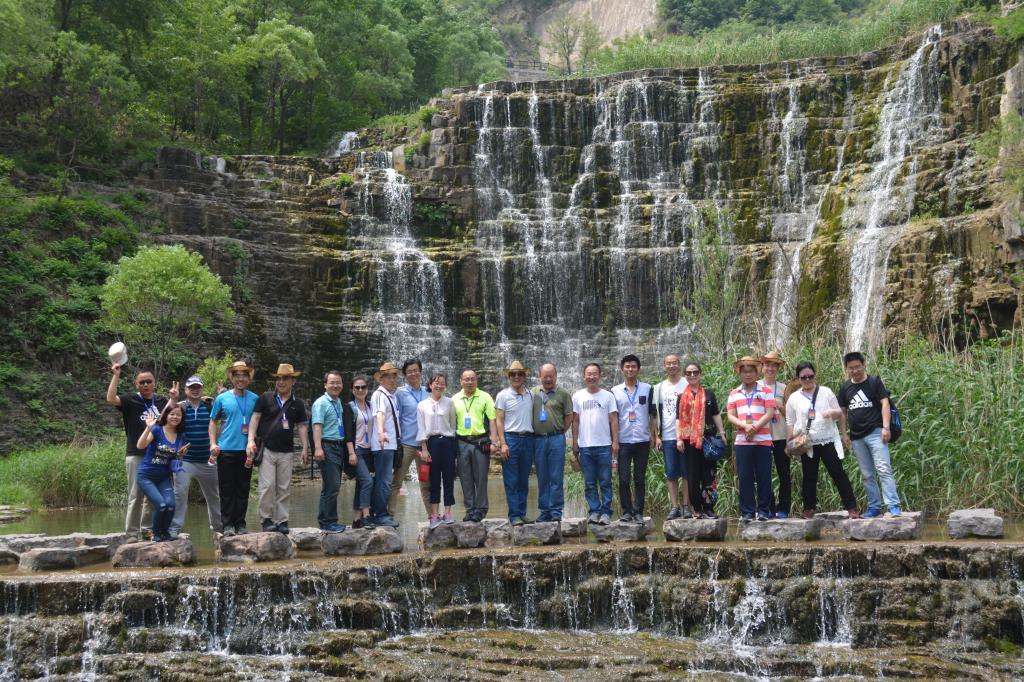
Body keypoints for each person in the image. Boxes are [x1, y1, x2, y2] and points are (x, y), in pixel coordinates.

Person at [106, 363, 176, 539]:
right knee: (135, 495)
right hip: (136, 454)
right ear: (136, 384)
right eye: (142, 382)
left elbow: (170, 416)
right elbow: (111, 398)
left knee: (153, 496)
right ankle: (131, 533)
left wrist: (174, 398)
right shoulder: (131, 400)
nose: (145, 385)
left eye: (149, 381)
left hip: (157, 456)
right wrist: (116, 375)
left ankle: (147, 530)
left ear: (154, 383)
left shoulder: (160, 401)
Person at [785, 361, 859, 519]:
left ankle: (852, 507)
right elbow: (790, 422)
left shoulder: (826, 392)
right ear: (798, 379)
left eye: (810, 376)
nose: (807, 379)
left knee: (838, 473)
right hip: (807, 443)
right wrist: (789, 443)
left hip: (827, 440)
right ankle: (809, 508)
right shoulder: (794, 398)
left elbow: (840, 413)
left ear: (814, 375)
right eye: (803, 377)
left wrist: (832, 413)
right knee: (809, 476)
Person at [248, 364, 309, 535]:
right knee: (267, 486)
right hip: (266, 449)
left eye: (285, 378)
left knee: (284, 488)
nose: (281, 382)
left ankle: (282, 521)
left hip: (287, 451)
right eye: (278, 378)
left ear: (293, 381)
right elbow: (255, 419)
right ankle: (266, 520)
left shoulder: (298, 403)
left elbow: (302, 426)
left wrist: (305, 447)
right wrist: (250, 440)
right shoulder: (265, 398)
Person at [839, 352, 902, 517]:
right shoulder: (845, 387)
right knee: (867, 474)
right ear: (846, 369)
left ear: (863, 364)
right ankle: (874, 507)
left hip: (876, 432)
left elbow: (885, 404)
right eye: (851, 368)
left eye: (858, 367)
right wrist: (844, 434)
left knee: (883, 469)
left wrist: (886, 428)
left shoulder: (874, 382)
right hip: (856, 437)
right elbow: (842, 412)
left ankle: (893, 505)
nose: (855, 371)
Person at [209, 360, 258, 536]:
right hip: (226, 449)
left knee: (243, 489)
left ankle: (240, 523)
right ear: (231, 378)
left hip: (247, 451)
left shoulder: (255, 399)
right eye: (237, 376)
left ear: (249, 378)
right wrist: (213, 443)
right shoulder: (222, 398)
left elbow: (258, 421)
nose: (240, 379)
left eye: (244, 375)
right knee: (227, 489)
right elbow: (213, 421)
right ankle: (228, 524)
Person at [169, 375, 222, 539]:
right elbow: (167, 420)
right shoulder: (180, 407)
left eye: (198, 387)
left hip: (208, 460)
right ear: (186, 390)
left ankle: (219, 528)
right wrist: (173, 400)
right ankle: (174, 529)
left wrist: (223, 395)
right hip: (185, 460)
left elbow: (225, 418)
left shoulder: (210, 406)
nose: (195, 390)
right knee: (180, 493)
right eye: (191, 387)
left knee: (214, 495)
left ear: (202, 389)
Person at [726, 356, 776, 522]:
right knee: (745, 476)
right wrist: (745, 426)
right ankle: (747, 512)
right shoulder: (734, 393)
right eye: (744, 371)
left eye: (751, 371)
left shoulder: (766, 391)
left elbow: (770, 413)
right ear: (740, 373)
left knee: (764, 476)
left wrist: (754, 428)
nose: (748, 374)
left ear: (757, 372)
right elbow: (730, 416)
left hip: (763, 440)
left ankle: (763, 511)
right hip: (742, 441)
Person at [675, 361, 726, 519]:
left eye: (695, 372)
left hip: (708, 441)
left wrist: (722, 433)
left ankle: (709, 508)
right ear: (685, 375)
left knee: (709, 475)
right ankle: (696, 509)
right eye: (689, 373)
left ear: (700, 374)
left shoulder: (709, 394)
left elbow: (716, 414)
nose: (692, 375)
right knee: (693, 475)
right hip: (689, 441)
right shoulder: (681, 397)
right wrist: (678, 439)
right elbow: (678, 419)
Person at [572, 362, 619, 526]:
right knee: (589, 483)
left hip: (604, 445)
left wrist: (615, 441)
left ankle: (606, 512)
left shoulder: (608, 396)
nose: (591, 377)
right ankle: (594, 511)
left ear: (599, 376)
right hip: (585, 446)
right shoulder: (577, 396)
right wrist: (574, 442)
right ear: (584, 376)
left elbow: (613, 420)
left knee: (605, 481)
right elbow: (575, 421)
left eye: (594, 374)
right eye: (589, 374)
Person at [611, 354, 657, 523]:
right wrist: (614, 440)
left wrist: (654, 435)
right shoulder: (614, 391)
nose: (630, 369)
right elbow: (613, 417)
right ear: (622, 369)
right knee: (623, 478)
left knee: (639, 478)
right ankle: (626, 511)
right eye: (627, 366)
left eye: (633, 366)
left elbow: (653, 414)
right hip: (623, 440)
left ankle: (638, 511)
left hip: (642, 440)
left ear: (638, 369)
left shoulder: (647, 388)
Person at [135, 404, 189, 542]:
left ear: (182, 418)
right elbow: (140, 445)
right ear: (166, 415)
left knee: (171, 505)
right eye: (172, 414)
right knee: (161, 505)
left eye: (178, 415)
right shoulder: (157, 429)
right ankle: (156, 534)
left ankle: (165, 533)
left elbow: (173, 457)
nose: (175, 417)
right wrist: (148, 428)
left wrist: (180, 454)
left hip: (164, 476)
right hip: (146, 475)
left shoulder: (181, 436)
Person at [312, 370, 357, 534]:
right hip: (327, 446)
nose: (335, 385)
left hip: (339, 446)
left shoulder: (338, 403)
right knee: (332, 486)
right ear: (325, 385)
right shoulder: (321, 403)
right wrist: (318, 448)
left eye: (338, 382)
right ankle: (327, 522)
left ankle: (330, 521)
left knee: (332, 486)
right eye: (332, 382)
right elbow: (317, 426)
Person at [452, 368, 498, 522]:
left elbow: (492, 420)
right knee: (465, 478)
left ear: (476, 381)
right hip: (462, 442)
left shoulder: (485, 397)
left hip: (481, 442)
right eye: (466, 379)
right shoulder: (454, 399)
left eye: (472, 379)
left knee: (481, 478)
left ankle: (481, 509)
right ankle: (470, 509)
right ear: (461, 381)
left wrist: (494, 442)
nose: (470, 382)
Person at [495, 361, 536, 526]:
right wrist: (503, 443)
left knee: (523, 480)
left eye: (520, 374)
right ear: (509, 376)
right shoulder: (502, 395)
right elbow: (499, 420)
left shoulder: (531, 395)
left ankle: (522, 513)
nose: (516, 377)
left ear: (524, 376)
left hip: (528, 439)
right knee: (511, 480)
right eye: (513, 374)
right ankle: (514, 515)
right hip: (511, 439)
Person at [530, 363, 573, 522]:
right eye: (545, 376)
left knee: (556, 477)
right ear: (539, 376)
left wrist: (559, 431)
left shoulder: (563, 393)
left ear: (556, 376)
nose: (548, 379)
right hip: (538, 440)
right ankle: (544, 511)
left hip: (556, 439)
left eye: (551, 376)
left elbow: (569, 416)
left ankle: (555, 511)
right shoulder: (532, 393)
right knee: (542, 477)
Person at [417, 373, 458, 529]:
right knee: (434, 480)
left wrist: (451, 443)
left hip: (447, 442)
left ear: (445, 386)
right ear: (430, 385)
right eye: (436, 382)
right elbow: (421, 428)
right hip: (431, 443)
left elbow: (453, 425)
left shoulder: (449, 402)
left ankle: (448, 513)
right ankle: (434, 515)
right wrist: (424, 449)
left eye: (442, 383)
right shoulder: (422, 405)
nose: (439, 385)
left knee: (448, 479)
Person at [391, 359, 431, 517]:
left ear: (420, 371)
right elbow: (396, 418)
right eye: (409, 371)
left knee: (426, 483)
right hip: (406, 444)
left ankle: (432, 516)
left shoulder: (428, 392)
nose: (413, 374)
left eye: (415, 370)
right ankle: (389, 516)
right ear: (405, 375)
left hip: (425, 446)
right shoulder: (399, 393)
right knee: (396, 481)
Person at [654, 354, 692, 519]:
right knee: (671, 473)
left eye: (674, 363)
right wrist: (656, 436)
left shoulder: (687, 383)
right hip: (667, 435)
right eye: (668, 363)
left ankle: (686, 506)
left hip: (686, 435)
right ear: (664, 366)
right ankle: (675, 506)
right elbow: (654, 414)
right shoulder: (659, 388)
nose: (671, 366)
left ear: (679, 364)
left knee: (686, 472)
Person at [369, 362, 402, 528]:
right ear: (381, 380)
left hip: (391, 445)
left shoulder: (391, 395)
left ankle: (378, 513)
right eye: (388, 377)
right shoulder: (379, 395)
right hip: (383, 445)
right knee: (384, 481)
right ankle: (380, 515)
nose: (392, 379)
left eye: (394, 376)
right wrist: (381, 433)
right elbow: (379, 414)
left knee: (384, 480)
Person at [759, 352, 791, 519]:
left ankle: (784, 508)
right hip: (762, 436)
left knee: (784, 473)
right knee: (764, 474)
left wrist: (780, 405)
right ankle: (768, 508)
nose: (770, 368)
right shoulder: (755, 386)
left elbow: (791, 415)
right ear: (762, 367)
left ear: (778, 368)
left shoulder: (783, 388)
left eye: (774, 365)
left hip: (781, 436)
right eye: (767, 365)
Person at [349, 375, 375, 528]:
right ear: (352, 390)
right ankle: (366, 516)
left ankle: (356, 520)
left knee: (361, 484)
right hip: (357, 449)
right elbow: (347, 433)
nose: (360, 390)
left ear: (367, 389)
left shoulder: (371, 405)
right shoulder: (350, 407)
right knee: (367, 481)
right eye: (357, 387)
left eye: (363, 387)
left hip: (369, 450)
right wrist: (351, 452)